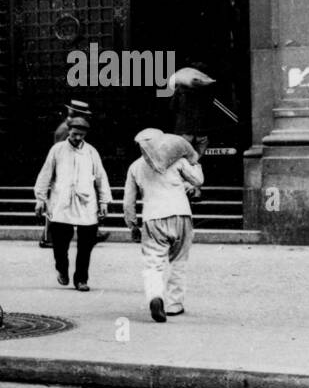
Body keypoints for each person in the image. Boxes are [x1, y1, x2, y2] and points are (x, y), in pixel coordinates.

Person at [123, 129, 204, 323]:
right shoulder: (178, 161)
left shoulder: (135, 167)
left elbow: (128, 202)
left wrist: (132, 225)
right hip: (181, 214)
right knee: (178, 261)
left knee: (153, 263)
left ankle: (155, 297)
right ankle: (174, 304)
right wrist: (195, 162)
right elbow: (198, 180)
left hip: (153, 218)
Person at [33, 117, 111, 291]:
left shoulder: (91, 152)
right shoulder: (57, 150)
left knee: (86, 244)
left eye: (81, 135)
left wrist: (104, 201)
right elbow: (45, 174)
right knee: (60, 243)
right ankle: (62, 268)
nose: (77, 138)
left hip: (86, 202)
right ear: (68, 131)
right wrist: (40, 198)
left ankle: (81, 279)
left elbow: (101, 177)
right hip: (62, 201)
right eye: (75, 134)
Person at [41, 99, 93, 247]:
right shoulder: (66, 129)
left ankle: (48, 237)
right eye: (82, 114)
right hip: (64, 172)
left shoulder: (66, 127)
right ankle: (48, 237)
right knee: (58, 205)